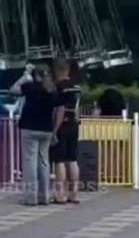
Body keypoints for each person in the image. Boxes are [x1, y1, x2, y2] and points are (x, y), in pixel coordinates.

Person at [10, 61, 63, 206]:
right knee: (44, 162)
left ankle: (30, 197)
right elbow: (57, 109)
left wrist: (25, 75)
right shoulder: (52, 89)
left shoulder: (30, 87)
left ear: (36, 74)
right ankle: (44, 196)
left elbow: (13, 89)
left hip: (29, 128)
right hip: (46, 129)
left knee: (30, 162)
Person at [50, 58, 83, 204]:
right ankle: (74, 194)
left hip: (62, 125)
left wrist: (54, 131)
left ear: (58, 70)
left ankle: (61, 194)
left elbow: (60, 109)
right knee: (73, 159)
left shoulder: (58, 87)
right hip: (74, 125)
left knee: (60, 161)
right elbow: (77, 109)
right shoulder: (77, 87)